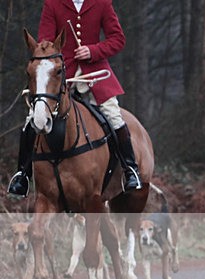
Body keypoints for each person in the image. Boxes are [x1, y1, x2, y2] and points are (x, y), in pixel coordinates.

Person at [7, 0, 142, 199]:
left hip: (95, 72)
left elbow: (117, 39)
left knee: (113, 115)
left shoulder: (102, 3)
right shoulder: (52, 4)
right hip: (60, 73)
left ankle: (130, 170)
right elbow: (45, 42)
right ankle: (22, 175)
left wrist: (93, 51)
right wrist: (49, 57)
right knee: (33, 119)